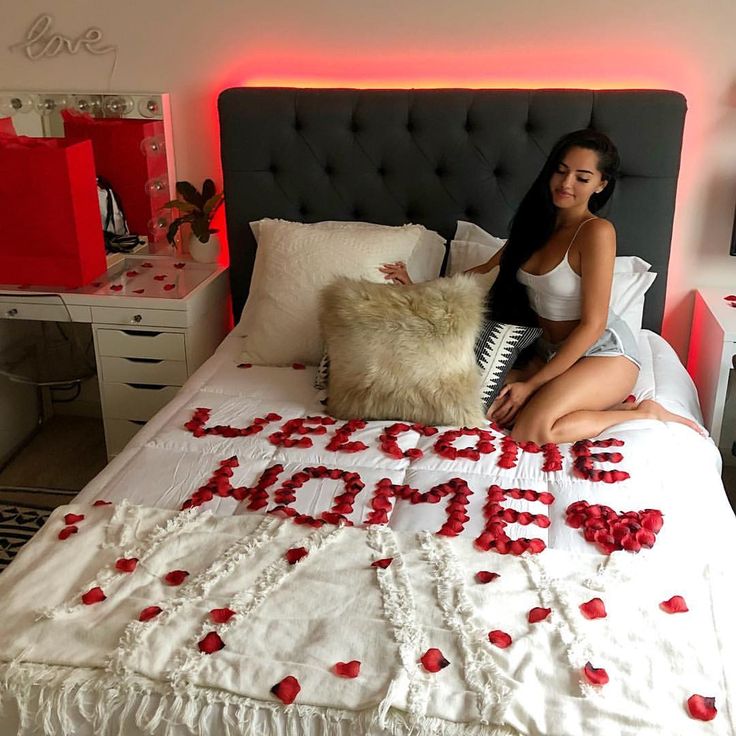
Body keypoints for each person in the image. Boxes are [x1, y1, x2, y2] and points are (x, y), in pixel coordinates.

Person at [380, 129, 704, 444]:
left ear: (601, 184)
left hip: (601, 353)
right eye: (560, 171)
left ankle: (643, 413)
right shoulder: (534, 228)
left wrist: (533, 385)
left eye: (582, 177)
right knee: (488, 406)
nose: (566, 183)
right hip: (547, 352)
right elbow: (479, 271)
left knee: (532, 430)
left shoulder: (597, 232)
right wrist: (415, 287)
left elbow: (593, 325)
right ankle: (574, 398)